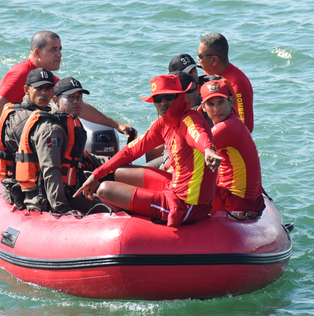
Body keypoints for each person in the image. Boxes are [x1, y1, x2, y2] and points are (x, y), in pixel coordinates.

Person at [75, 74, 223, 227]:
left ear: (179, 97)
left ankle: (134, 221)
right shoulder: (162, 124)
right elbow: (130, 151)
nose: (163, 103)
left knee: (104, 190)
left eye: (168, 97)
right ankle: (135, 208)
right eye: (158, 99)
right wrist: (96, 174)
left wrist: (208, 150)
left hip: (187, 205)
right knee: (119, 172)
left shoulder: (189, 119)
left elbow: (197, 134)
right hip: (174, 186)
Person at [0, 30, 136, 140]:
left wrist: (118, 125)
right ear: (37, 52)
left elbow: (80, 106)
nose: (59, 54)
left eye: (60, 49)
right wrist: (32, 129)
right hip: (13, 141)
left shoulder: (49, 78)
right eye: (53, 50)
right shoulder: (21, 72)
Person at [13, 74, 100, 216]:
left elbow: (82, 157)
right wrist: (62, 208)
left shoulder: (69, 123)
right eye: (70, 98)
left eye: (79, 97)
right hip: (44, 199)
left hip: (69, 190)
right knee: (113, 207)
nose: (76, 102)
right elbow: (51, 169)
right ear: (56, 101)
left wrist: (115, 164)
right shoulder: (51, 129)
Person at [0, 67, 56, 207]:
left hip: (39, 184)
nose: (44, 92)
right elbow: (50, 161)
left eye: (49, 88)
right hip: (26, 191)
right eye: (39, 88)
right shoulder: (21, 120)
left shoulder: (47, 113)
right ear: (26, 90)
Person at [200, 79, 265, 215]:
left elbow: (185, 155)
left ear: (230, 102)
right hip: (248, 199)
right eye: (211, 104)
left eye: (221, 102)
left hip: (235, 201)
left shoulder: (226, 128)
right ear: (203, 107)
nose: (216, 109)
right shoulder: (235, 121)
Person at [197, 33, 254, 133]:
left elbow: (246, 126)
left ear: (214, 60)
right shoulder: (209, 73)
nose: (197, 59)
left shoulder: (237, 83)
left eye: (200, 56)